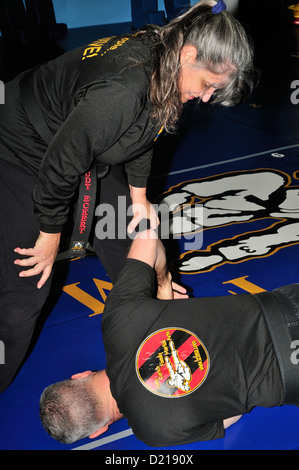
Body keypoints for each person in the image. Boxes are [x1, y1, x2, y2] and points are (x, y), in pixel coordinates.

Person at [0, 0, 255, 393]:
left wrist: (139, 199)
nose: (206, 98)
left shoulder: (169, 64)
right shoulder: (124, 86)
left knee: (134, 239)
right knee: (26, 289)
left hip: (80, 143)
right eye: (207, 85)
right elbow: (62, 165)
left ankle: (162, 333)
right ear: (189, 54)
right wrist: (51, 235)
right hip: (23, 145)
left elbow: (145, 133)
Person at [39, 226, 299, 447]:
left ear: (98, 431)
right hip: (284, 308)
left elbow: (229, 418)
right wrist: (163, 284)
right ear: (81, 375)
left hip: (291, 375)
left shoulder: (155, 433)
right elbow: (147, 236)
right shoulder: (117, 320)